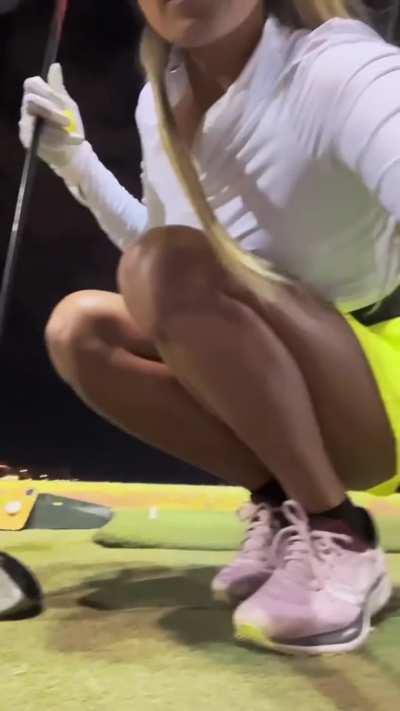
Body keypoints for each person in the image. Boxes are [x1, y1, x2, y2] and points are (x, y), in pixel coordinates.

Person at [19, 0, 400, 655]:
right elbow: (166, 271)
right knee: (80, 329)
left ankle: (338, 533)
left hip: (381, 393)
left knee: (164, 267)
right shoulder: (159, 101)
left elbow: (171, 267)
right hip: (299, 379)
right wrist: (75, 162)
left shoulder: (341, 67)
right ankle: (285, 505)